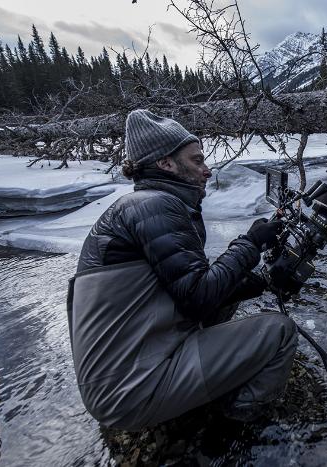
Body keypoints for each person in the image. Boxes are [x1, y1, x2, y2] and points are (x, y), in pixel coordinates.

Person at [67, 109, 298, 430]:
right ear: (166, 163)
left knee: (227, 297)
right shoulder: (155, 206)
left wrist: (253, 284)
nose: (207, 170)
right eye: (197, 161)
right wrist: (251, 243)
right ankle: (241, 424)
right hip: (127, 392)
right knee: (280, 332)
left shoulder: (145, 204)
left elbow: (181, 289)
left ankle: (199, 394)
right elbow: (197, 298)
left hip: (120, 377)